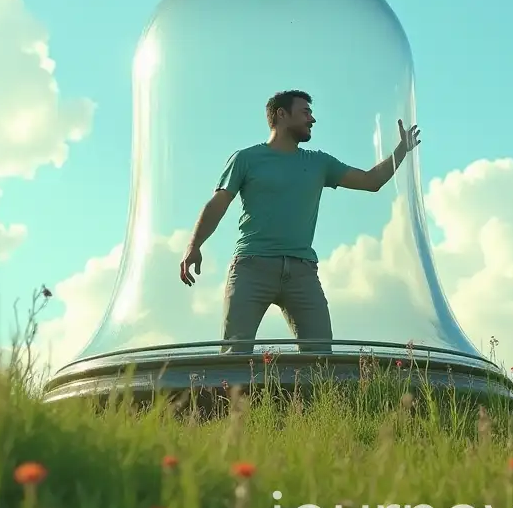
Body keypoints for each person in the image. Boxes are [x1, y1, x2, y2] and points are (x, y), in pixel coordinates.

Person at [178, 89, 421, 356]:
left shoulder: (319, 162)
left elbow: (370, 181)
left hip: (302, 273)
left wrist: (401, 150)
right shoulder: (245, 159)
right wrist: (194, 245)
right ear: (282, 115)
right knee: (234, 355)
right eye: (305, 112)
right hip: (252, 267)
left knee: (320, 360)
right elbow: (218, 203)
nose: (312, 119)